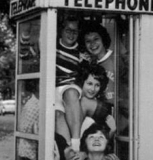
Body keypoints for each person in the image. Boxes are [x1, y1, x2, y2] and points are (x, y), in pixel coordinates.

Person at [55, 15, 85, 151]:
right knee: (57, 114)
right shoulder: (52, 45)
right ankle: (68, 151)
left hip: (70, 87)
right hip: (52, 88)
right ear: (61, 30)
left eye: (75, 31)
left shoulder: (82, 52)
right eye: (68, 30)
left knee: (70, 93)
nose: (71, 35)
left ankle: (76, 144)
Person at [80, 21, 115, 105]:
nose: (92, 44)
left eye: (96, 39)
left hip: (118, 109)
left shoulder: (116, 59)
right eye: (88, 41)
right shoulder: (89, 64)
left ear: (103, 39)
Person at [18, 79, 39, 160]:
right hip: (29, 153)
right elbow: (27, 129)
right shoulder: (34, 105)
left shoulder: (33, 102)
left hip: (25, 151)